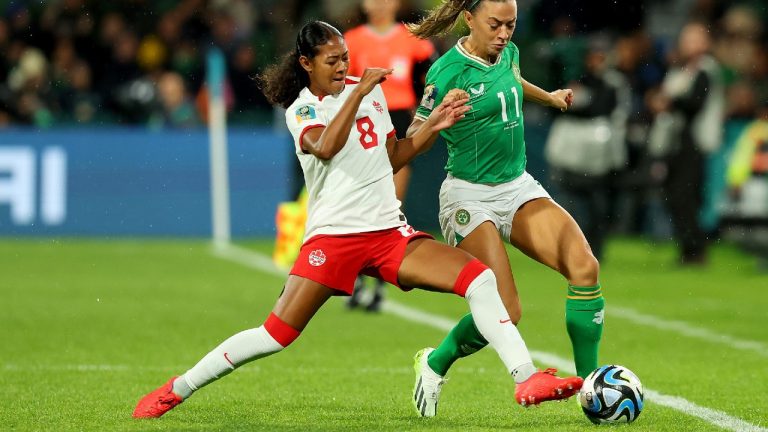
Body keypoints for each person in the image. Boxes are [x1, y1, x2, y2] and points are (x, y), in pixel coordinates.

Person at [132, 20, 582, 420]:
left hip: (388, 233)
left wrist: (432, 127)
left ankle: (525, 377)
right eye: (332, 60)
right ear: (306, 63)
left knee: (480, 280)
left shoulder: (368, 93)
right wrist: (359, 92)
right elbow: (325, 146)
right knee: (275, 335)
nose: (342, 66)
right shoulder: (302, 109)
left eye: (345, 57)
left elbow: (393, 156)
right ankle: (178, 388)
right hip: (335, 238)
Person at [404, 0, 604, 417]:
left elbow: (512, 79)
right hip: (468, 195)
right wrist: (438, 117)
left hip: (516, 186)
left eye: (511, 25)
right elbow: (412, 133)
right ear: (469, 18)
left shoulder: (508, 52)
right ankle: (435, 361)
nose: (504, 34)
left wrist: (547, 98)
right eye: (495, 24)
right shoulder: (445, 73)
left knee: (585, 268)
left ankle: (592, 391)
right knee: (506, 310)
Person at [344, 0, 437, 312]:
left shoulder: (413, 39)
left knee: (390, 207)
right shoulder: (352, 40)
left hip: (398, 123)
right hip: (365, 125)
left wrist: (425, 111)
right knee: (361, 205)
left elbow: (432, 80)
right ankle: (356, 280)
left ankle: (380, 286)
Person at [647, 21, 725, 266]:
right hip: (677, 141)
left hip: (694, 142)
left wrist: (668, 101)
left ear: (705, 43)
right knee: (676, 196)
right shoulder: (682, 69)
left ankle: (696, 250)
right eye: (686, 38)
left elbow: (695, 103)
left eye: (695, 39)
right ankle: (688, 248)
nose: (689, 44)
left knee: (686, 196)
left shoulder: (705, 70)